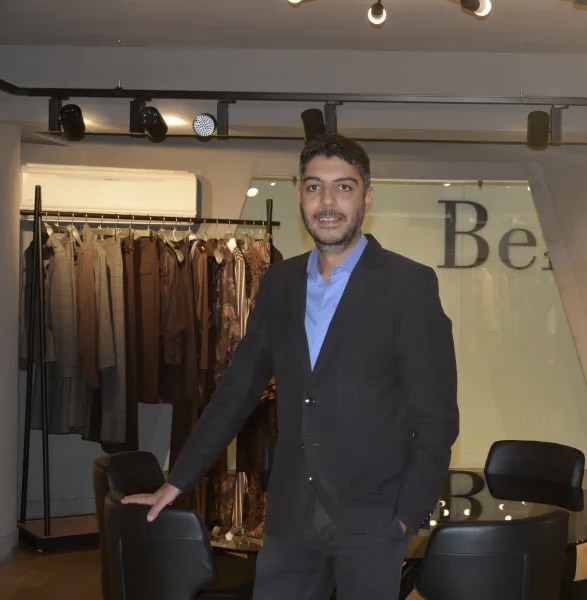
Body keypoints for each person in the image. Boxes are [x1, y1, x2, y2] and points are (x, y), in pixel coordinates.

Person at [122, 134, 459, 600]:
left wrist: (406, 516)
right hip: (289, 517)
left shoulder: (408, 285)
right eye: (314, 187)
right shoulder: (280, 282)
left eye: (343, 187)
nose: (327, 202)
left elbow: (436, 417)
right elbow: (237, 391)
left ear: (367, 197)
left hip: (373, 520)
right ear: (299, 194)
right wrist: (177, 481)